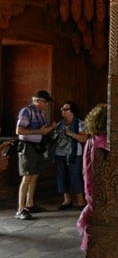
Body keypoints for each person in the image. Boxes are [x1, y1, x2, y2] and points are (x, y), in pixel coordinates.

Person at [15, 90, 57, 220]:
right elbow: (19, 130)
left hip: (38, 147)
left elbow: (42, 131)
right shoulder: (26, 111)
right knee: (27, 176)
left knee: (34, 176)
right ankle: (20, 209)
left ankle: (30, 204)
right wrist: (39, 131)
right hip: (28, 147)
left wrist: (50, 129)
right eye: (45, 102)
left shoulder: (40, 113)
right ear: (37, 101)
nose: (46, 105)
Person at [77, 103, 108, 252]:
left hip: (91, 187)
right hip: (104, 188)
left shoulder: (90, 141)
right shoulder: (107, 142)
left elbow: (85, 169)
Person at [53, 101, 88, 210]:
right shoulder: (60, 124)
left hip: (73, 154)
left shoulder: (79, 124)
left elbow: (84, 138)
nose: (63, 111)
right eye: (62, 109)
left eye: (66, 109)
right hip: (60, 153)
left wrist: (72, 134)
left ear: (72, 111)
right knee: (62, 177)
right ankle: (67, 200)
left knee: (75, 176)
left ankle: (80, 201)